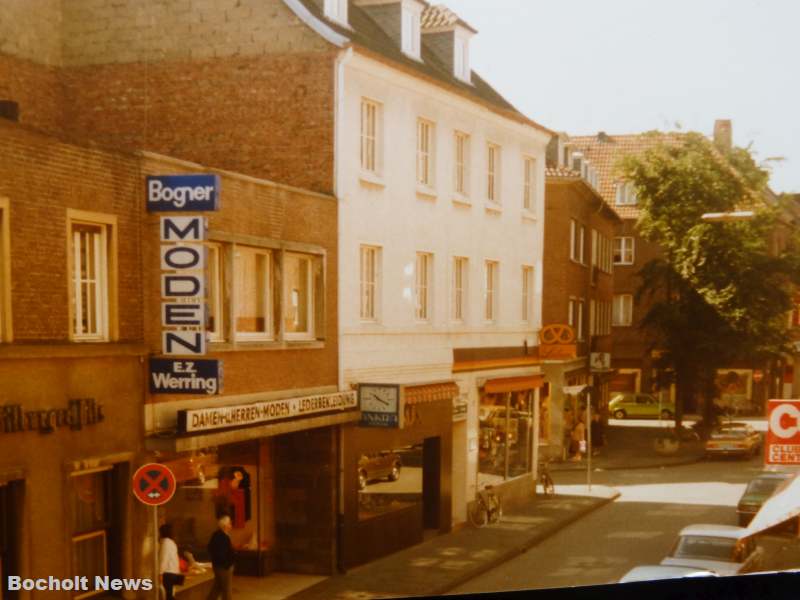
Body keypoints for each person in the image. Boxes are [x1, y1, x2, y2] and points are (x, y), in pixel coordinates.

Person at [207, 515, 235, 600]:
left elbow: (209, 547)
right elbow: (221, 554)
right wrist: (228, 564)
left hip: (217, 566)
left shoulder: (216, 534)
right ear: (225, 526)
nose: (231, 525)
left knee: (217, 588)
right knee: (227, 591)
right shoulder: (223, 537)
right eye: (230, 523)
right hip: (224, 568)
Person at [159, 523, 185, 600]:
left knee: (168, 596)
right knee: (170, 595)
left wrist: (160, 573)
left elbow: (163, 559)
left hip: (167, 574)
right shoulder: (172, 543)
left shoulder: (165, 543)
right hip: (173, 573)